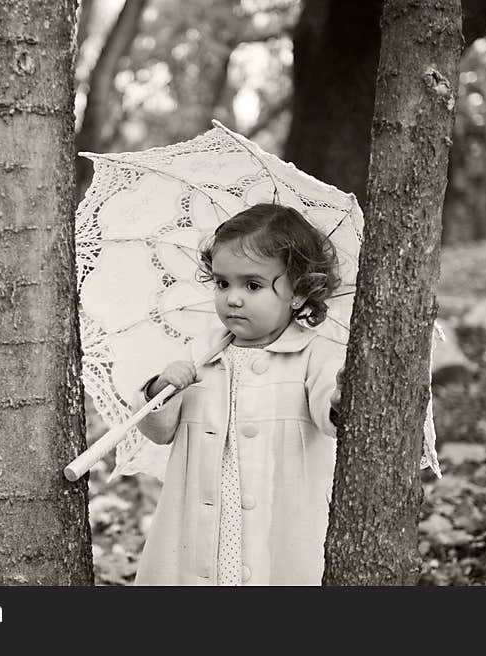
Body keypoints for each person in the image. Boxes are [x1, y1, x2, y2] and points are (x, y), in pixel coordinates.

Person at [133, 202, 346, 586]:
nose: (233, 298)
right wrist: (163, 388)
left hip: (275, 521)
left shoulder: (315, 356)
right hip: (202, 523)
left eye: (252, 285)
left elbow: (329, 415)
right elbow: (159, 430)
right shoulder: (202, 353)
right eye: (222, 283)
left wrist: (341, 397)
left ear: (298, 293)